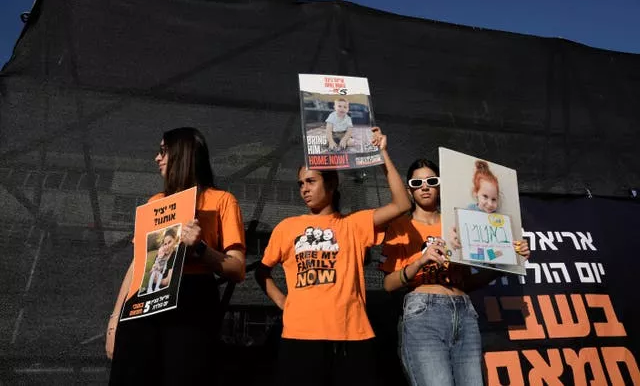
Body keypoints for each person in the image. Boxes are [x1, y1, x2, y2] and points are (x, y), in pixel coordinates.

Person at [255, 127, 411, 386]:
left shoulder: (354, 224)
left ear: (332, 183)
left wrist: (381, 152)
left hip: (351, 337)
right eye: (301, 183)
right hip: (299, 337)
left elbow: (402, 204)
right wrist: (283, 302)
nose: (304, 188)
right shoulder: (286, 227)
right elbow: (262, 271)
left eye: (311, 181)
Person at [106, 127, 246, 385]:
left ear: (182, 155)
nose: (156, 158)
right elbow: (138, 264)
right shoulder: (155, 202)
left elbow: (237, 269)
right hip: (145, 299)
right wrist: (115, 319)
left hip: (192, 301)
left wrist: (201, 249)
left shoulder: (222, 200)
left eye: (163, 152)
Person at [379, 159, 530, 386]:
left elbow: (467, 282)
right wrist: (421, 261)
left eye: (431, 180)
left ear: (440, 186)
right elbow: (388, 284)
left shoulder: (461, 221)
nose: (425, 186)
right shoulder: (400, 227)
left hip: (465, 311)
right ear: (409, 189)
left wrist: (508, 261)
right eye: (417, 182)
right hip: (423, 313)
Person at [145, 228, 178, 294]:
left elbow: (167, 282)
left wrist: (156, 279)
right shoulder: (161, 254)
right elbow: (152, 271)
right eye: (165, 244)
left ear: (175, 240)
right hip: (153, 287)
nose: (167, 246)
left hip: (164, 291)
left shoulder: (175, 256)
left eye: (170, 242)